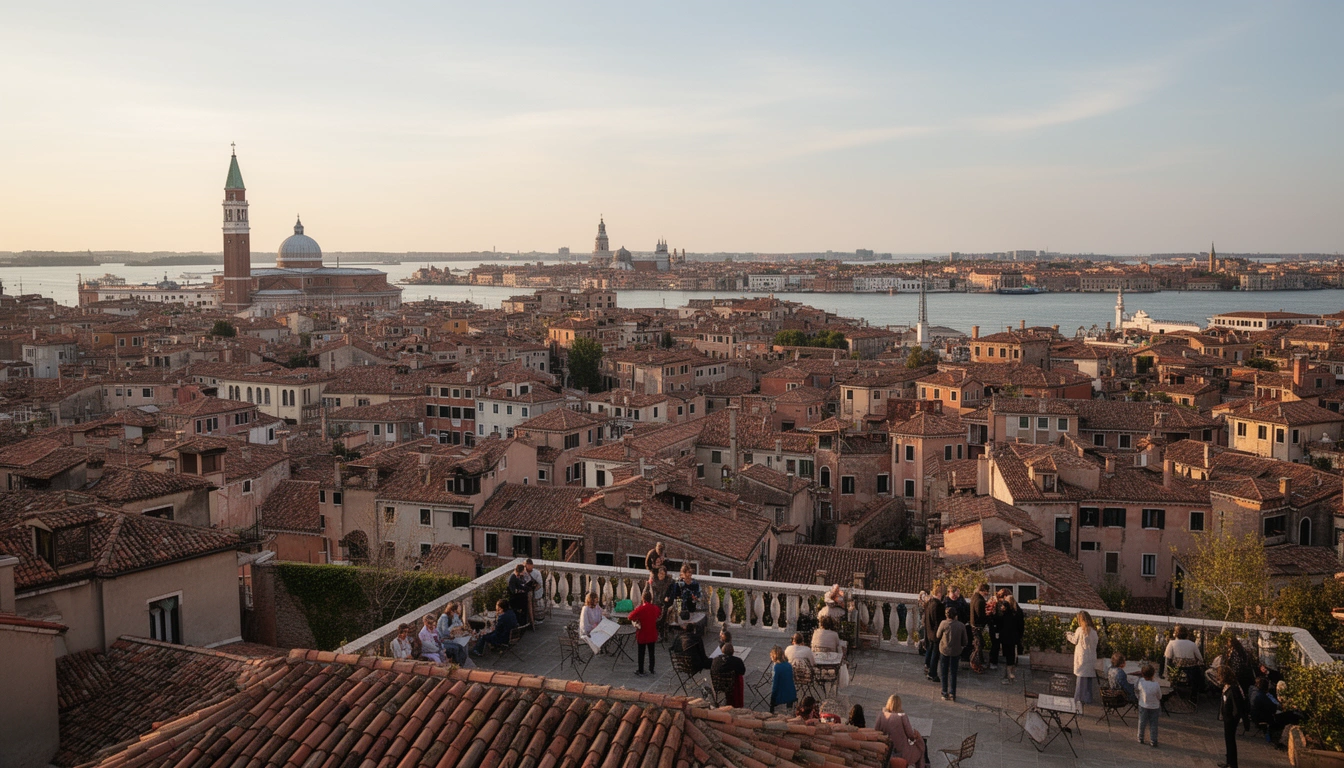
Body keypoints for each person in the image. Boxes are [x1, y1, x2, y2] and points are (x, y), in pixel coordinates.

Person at [875, 695, 924, 768]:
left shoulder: (881, 715)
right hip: (901, 751)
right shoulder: (902, 717)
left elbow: (876, 731)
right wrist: (917, 737)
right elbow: (910, 735)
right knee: (921, 747)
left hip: (884, 748)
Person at [1067, 610, 1099, 705]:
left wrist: (1068, 635)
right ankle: (1088, 698)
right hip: (1091, 658)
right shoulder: (1093, 632)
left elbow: (1074, 640)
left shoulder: (1080, 630)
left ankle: (1078, 699)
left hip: (1082, 659)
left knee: (1080, 681)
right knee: (1088, 680)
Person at [1225, 636, 1256, 730]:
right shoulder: (1243, 651)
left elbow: (1233, 666)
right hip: (1246, 677)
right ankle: (1245, 714)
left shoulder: (1233, 652)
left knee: (1237, 696)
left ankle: (1239, 715)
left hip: (1237, 677)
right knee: (1243, 695)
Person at [937, 605, 967, 702]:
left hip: (944, 650)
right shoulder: (961, 625)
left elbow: (938, 635)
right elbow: (965, 641)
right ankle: (952, 693)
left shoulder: (943, 623)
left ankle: (944, 692)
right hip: (956, 651)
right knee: (953, 673)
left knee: (944, 672)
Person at [1218, 665, 1246, 768]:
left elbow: (1236, 706)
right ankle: (1229, 761)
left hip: (1231, 719)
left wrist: (1234, 719)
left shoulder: (1233, 689)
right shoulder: (1228, 686)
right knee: (1228, 740)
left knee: (1230, 741)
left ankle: (1233, 764)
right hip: (1227, 718)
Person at [629, 590, 662, 677]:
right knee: (652, 652)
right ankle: (651, 668)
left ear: (643, 599)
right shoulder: (655, 608)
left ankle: (641, 670)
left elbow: (630, 616)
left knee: (641, 653)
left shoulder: (641, 608)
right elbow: (659, 614)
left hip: (642, 633)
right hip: (652, 633)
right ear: (651, 599)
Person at [997, 594, 1024, 683]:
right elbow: (1021, 626)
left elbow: (999, 624)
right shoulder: (1018, 612)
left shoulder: (1005, 614)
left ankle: (1008, 676)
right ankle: (1011, 674)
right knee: (1011, 656)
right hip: (1014, 637)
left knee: (1008, 656)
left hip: (1005, 637)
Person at [923, 585, 946, 682]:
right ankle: (932, 673)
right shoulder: (939, 605)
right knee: (935, 654)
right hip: (936, 633)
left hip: (929, 631)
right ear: (939, 594)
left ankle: (927, 666)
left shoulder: (929, 603)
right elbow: (939, 621)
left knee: (930, 649)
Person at [711, 642, 746, 707]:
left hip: (718, 685)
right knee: (739, 676)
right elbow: (742, 672)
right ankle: (737, 702)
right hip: (730, 687)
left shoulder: (715, 659)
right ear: (732, 651)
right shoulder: (737, 661)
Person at [1136, 664, 1161, 747]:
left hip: (1143, 705)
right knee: (1153, 723)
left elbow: (1137, 691)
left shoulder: (1141, 682)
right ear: (1153, 674)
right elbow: (1159, 696)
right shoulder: (1156, 685)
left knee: (1142, 722)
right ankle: (1153, 740)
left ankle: (1140, 737)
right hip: (1154, 706)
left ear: (1142, 674)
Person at [769, 645, 797, 714]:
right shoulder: (788, 665)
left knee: (772, 701)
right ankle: (789, 711)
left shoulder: (776, 667)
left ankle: (772, 712)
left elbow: (775, 685)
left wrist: (773, 696)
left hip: (781, 695)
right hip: (792, 693)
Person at [969, 583, 990, 672]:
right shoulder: (980, 601)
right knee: (979, 645)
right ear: (983, 591)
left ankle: (979, 662)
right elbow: (981, 615)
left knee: (978, 644)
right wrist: (988, 616)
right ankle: (975, 663)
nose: (987, 593)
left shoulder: (974, 597)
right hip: (977, 626)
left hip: (973, 624)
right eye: (986, 591)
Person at [506, 563, 536, 628]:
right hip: (514, 599)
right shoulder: (513, 577)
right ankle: (523, 622)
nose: (524, 572)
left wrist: (529, 588)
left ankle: (525, 621)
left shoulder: (517, 577)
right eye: (523, 571)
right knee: (525, 601)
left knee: (526, 598)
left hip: (517, 597)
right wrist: (523, 590)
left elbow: (520, 586)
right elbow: (513, 591)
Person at [523, 559, 546, 625]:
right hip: (527, 591)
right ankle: (529, 619)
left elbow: (539, 584)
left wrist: (533, 590)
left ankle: (536, 619)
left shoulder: (537, 572)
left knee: (536, 605)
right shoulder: (524, 572)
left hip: (536, 591)